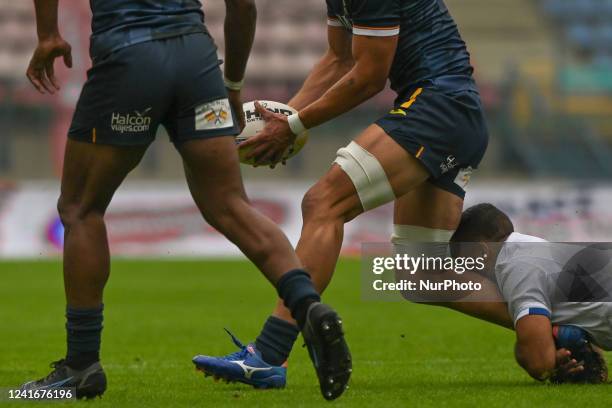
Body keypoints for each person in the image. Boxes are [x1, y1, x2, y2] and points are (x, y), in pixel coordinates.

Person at [21, 0, 351, 400]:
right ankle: (308, 306)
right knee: (230, 205)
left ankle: (80, 367)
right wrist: (231, 85)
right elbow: (243, 6)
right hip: (196, 61)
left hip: (131, 56)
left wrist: (48, 34)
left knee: (80, 209)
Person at [197, 0, 492, 388]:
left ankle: (269, 353)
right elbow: (339, 59)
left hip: (438, 107)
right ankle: (557, 318)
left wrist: (296, 124)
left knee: (323, 203)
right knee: (420, 276)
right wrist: (284, 122)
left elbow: (369, 76)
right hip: (452, 111)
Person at [450, 203, 609, 384]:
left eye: (460, 259)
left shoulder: (517, 267)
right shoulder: (529, 248)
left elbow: (539, 362)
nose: (461, 269)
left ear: (481, 251)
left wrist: (547, 360)